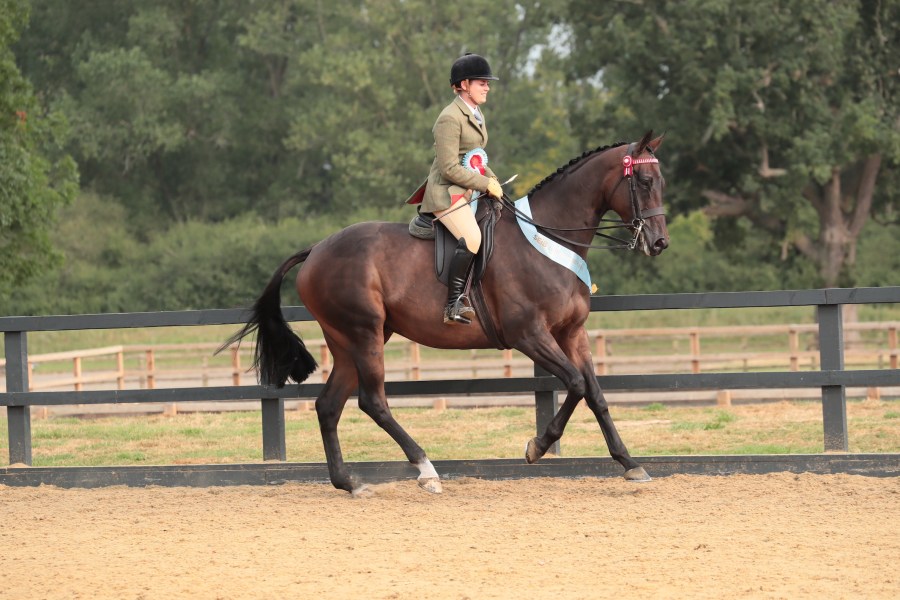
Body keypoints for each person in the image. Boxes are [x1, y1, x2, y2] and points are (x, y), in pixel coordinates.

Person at [420, 53, 504, 325]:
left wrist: (495, 181)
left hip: (467, 189)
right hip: (446, 192)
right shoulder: (449, 118)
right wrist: (484, 184)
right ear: (464, 84)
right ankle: (453, 303)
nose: (487, 87)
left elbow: (475, 158)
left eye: (487, 83)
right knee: (472, 238)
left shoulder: (476, 114)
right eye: (482, 82)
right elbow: (449, 168)